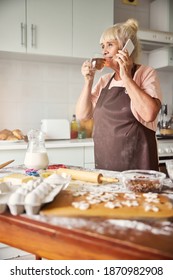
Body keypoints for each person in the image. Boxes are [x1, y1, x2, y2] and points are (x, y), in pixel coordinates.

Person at [76, 18, 162, 171]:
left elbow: (149, 114)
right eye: (102, 46)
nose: (104, 51)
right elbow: (82, 116)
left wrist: (127, 76)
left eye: (110, 44)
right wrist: (88, 81)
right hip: (106, 167)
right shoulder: (104, 80)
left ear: (126, 48)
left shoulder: (146, 74)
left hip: (138, 170)